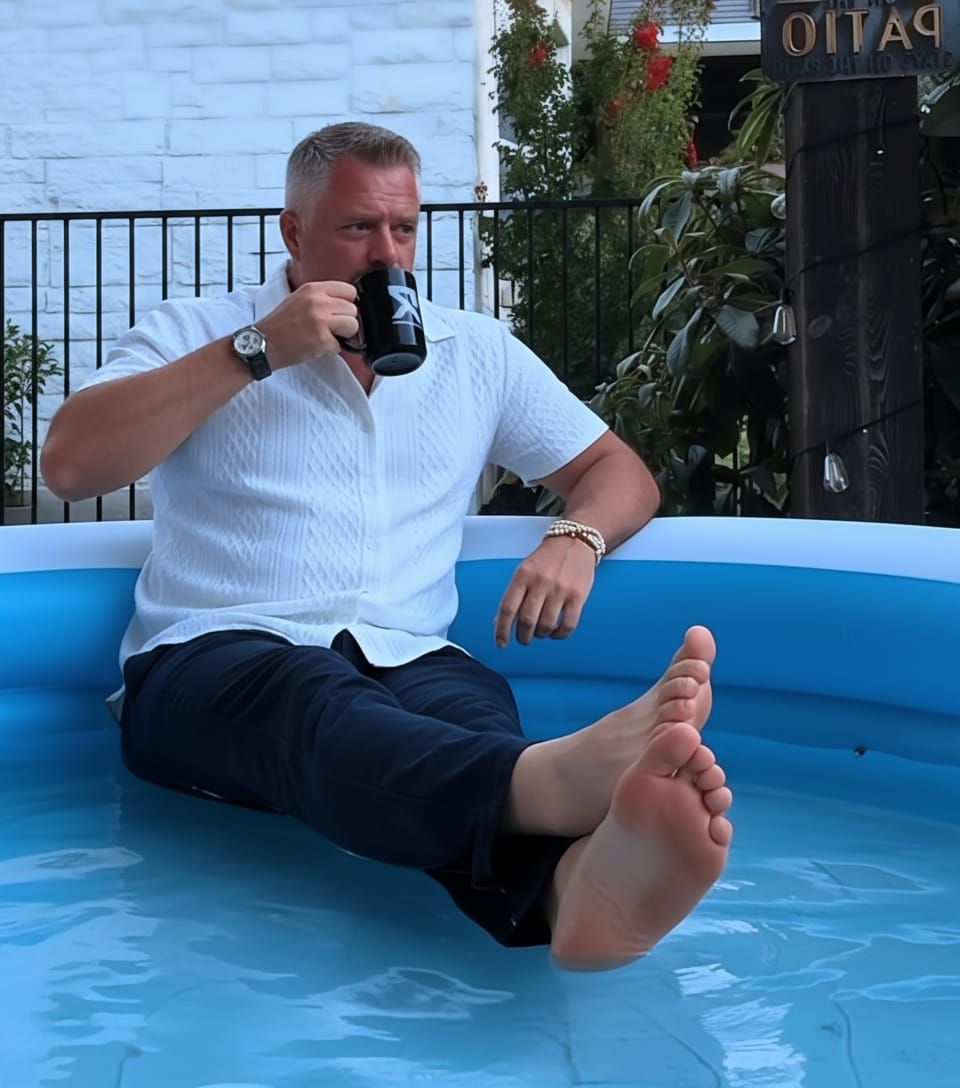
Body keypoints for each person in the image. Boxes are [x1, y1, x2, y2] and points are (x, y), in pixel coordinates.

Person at [41, 122, 732, 972]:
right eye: (357, 228)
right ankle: (556, 786)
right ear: (294, 232)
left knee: (466, 709)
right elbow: (70, 464)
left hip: (411, 652)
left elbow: (615, 468)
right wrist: (259, 351)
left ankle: (576, 889)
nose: (387, 254)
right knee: (312, 696)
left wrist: (577, 537)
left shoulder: (471, 351)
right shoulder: (200, 330)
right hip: (212, 660)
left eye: (403, 228)